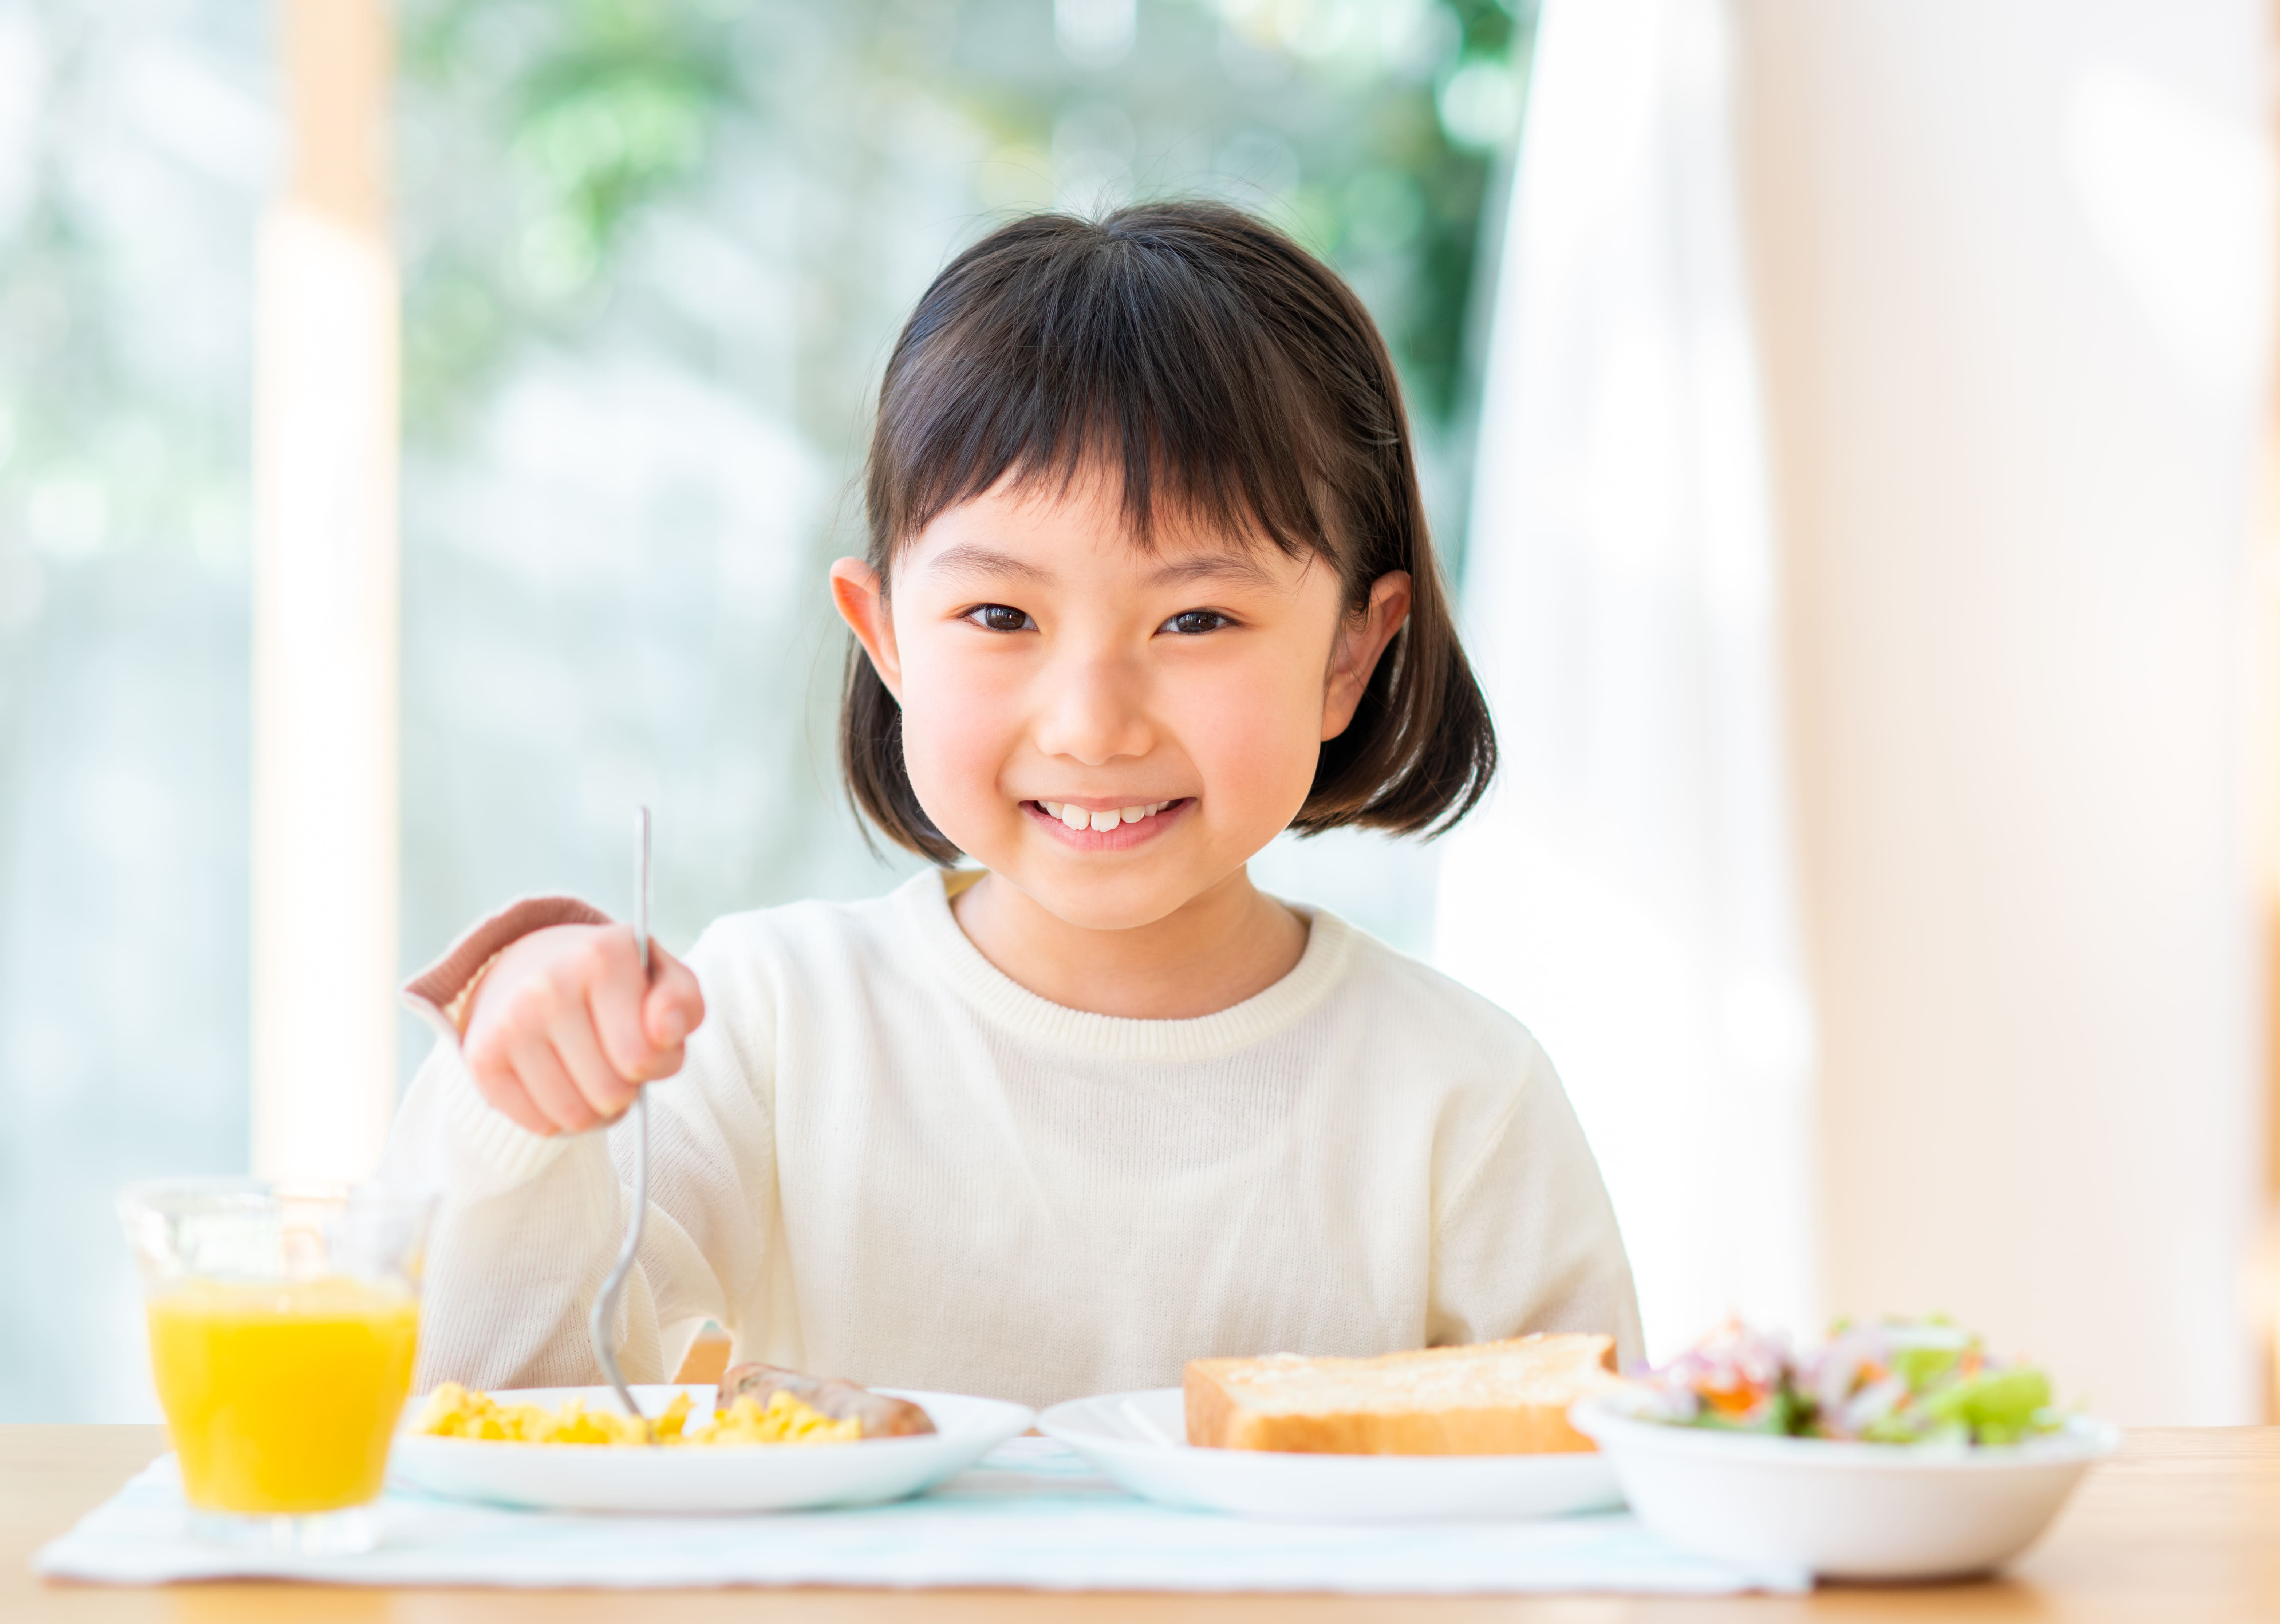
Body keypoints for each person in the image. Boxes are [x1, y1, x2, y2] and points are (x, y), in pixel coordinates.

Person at [384, 201, 1641, 1409]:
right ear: (883, 639)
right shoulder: (773, 1021)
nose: (1094, 722)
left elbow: (1587, 1510)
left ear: (1349, 658)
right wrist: (519, 1109)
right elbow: (501, 1411)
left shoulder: (1462, 1098)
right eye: (1001, 617)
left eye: (1197, 618)